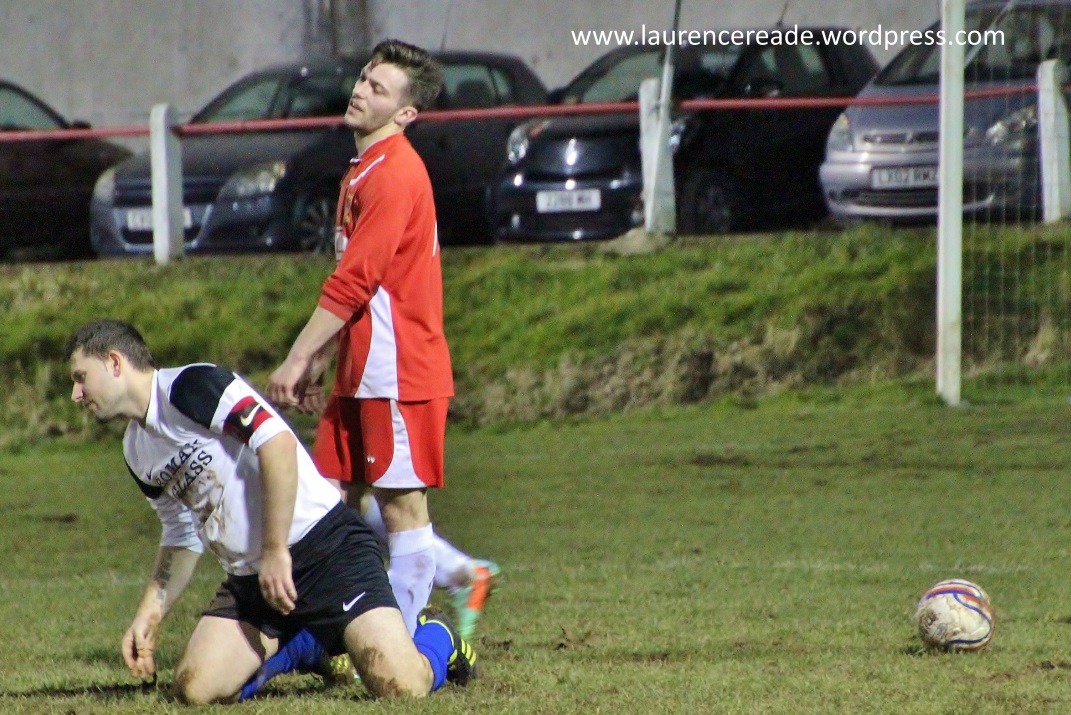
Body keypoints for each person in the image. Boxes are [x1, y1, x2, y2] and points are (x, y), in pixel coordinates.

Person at [65, 319, 476, 704]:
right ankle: (307, 641)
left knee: (400, 687)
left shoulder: (191, 386)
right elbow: (180, 534)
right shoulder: (136, 450)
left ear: (114, 362)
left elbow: (276, 443)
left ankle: (439, 638)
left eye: (81, 378)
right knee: (196, 688)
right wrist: (150, 614)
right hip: (254, 581)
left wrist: (276, 550)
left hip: (327, 551)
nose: (76, 394)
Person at [267, 38, 495, 640]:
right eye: (364, 78)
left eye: (379, 88)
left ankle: (400, 645)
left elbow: (356, 280)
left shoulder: (394, 173)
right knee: (327, 499)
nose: (361, 91)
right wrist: (324, 357)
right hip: (361, 367)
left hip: (397, 371)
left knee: (401, 511)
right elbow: (357, 282)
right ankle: (334, 628)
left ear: (406, 113)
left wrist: (298, 356)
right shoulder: (363, 168)